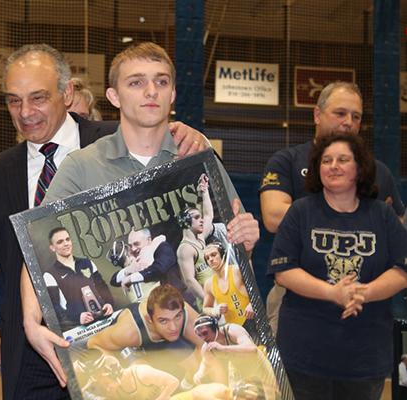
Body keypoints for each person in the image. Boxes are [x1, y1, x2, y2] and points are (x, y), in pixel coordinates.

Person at [0, 42, 210, 399]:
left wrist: (193, 136)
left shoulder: (117, 139)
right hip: (30, 344)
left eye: (37, 98)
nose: (25, 112)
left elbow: (162, 134)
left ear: (67, 93)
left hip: (109, 348)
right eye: (13, 100)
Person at [25, 41, 259, 392]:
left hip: (186, 330)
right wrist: (31, 322)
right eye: (136, 82)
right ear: (114, 96)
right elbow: (36, 242)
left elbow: (228, 254)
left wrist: (245, 241)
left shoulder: (199, 161)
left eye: (161, 82)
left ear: (174, 93)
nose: (151, 91)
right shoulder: (81, 166)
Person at [268, 133, 407, 400]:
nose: (333, 165)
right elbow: (283, 271)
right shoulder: (300, 211)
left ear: (360, 168)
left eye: (342, 159)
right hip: (304, 356)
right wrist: (332, 292)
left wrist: (362, 292)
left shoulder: (383, 215)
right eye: (326, 160)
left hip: (365, 357)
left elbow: (403, 270)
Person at [259, 81, 405, 334]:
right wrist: (353, 217)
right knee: (285, 371)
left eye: (356, 116)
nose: (349, 121)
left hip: (365, 300)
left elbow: (398, 230)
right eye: (340, 113)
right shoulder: (287, 160)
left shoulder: (378, 172)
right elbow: (273, 217)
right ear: (317, 114)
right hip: (296, 294)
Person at [86, 284, 203, 380]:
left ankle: (186, 382)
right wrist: (117, 371)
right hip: (132, 344)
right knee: (142, 378)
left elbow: (209, 346)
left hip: (160, 336)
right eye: (164, 321)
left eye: (177, 317)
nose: (173, 327)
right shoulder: (127, 331)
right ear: (150, 319)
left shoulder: (184, 311)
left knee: (197, 366)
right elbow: (93, 343)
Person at [191, 314, 277, 400]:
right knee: (233, 396)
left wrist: (223, 348)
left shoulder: (232, 330)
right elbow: (206, 362)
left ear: (214, 327)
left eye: (205, 333)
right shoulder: (207, 348)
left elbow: (252, 349)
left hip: (256, 361)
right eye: (199, 335)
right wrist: (200, 372)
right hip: (237, 367)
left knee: (273, 392)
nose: (203, 338)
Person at [44, 227, 114, 329]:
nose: (66, 243)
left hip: (104, 320)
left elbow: (102, 287)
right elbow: (55, 308)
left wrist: (109, 303)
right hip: (81, 329)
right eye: (60, 242)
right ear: (52, 248)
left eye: (67, 239)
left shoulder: (87, 262)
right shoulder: (49, 275)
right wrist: (77, 318)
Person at [111, 228, 193, 306]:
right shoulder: (135, 260)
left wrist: (131, 278)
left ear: (149, 240)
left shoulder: (162, 247)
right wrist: (127, 270)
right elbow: (114, 280)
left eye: (136, 244)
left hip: (180, 299)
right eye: (131, 245)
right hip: (154, 307)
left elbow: (159, 269)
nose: (133, 249)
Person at [75, 348, 180, 400]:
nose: (107, 389)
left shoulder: (142, 373)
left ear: (114, 376)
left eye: (106, 384)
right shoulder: (114, 390)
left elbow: (174, 382)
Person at [176, 173, 216, 305]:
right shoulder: (185, 249)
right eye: (197, 218)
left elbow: (209, 215)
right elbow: (190, 281)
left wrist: (204, 192)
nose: (201, 220)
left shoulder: (200, 239)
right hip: (208, 300)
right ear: (186, 222)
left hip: (219, 294)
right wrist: (209, 302)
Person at [202, 241, 254, 326]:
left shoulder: (237, 270)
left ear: (222, 255)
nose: (211, 259)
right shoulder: (209, 283)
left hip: (254, 320)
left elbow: (259, 287)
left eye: (214, 255)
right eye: (207, 258)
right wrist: (215, 310)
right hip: (236, 329)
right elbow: (205, 308)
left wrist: (253, 304)